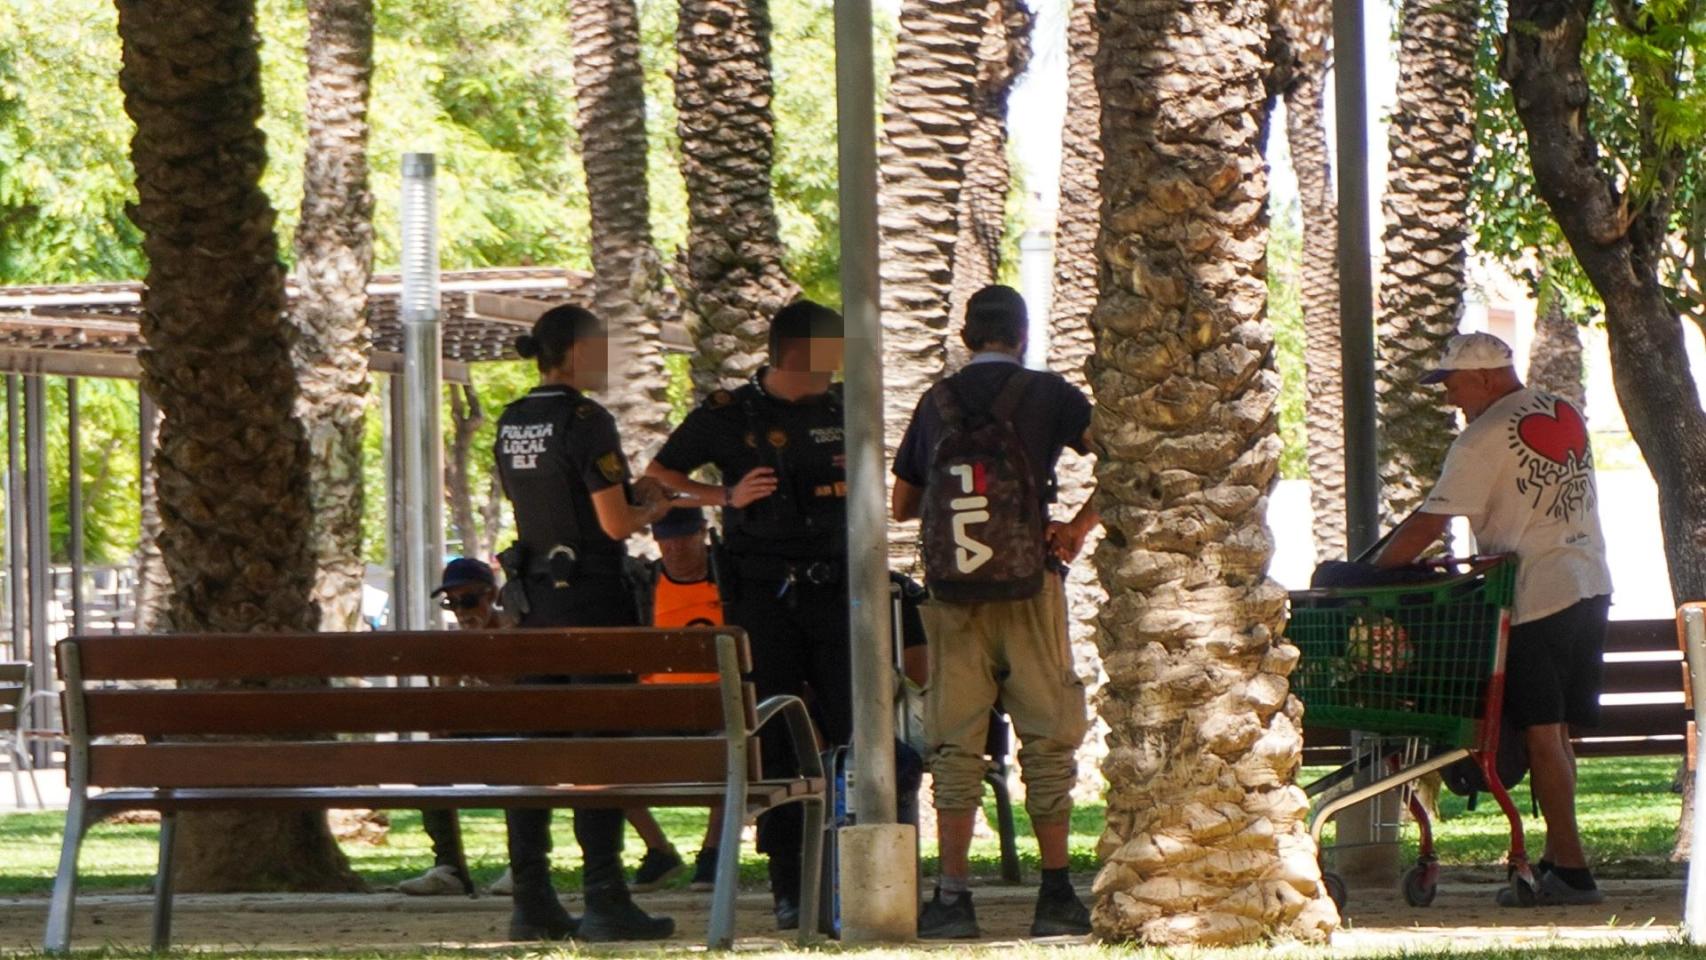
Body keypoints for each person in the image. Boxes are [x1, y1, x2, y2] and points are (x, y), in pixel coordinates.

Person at [1374, 331, 1613, 907]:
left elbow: (1429, 526)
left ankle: (1574, 873)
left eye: (1452, 382)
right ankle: (1558, 858)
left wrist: (1368, 576)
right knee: (1555, 733)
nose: (1449, 395)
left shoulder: (1482, 437)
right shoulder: (1562, 408)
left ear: (1483, 377)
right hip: (1589, 581)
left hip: (1534, 594)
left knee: (1540, 731)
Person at [891, 284, 1099, 939]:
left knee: (955, 744)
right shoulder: (1051, 395)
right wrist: (1077, 525)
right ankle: (1056, 895)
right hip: (1030, 586)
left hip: (953, 597)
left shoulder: (936, 401)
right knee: (1047, 737)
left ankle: (953, 898)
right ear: (1023, 335)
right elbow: (1123, 458)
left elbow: (902, 503)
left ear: (964, 337)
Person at [643, 300, 849, 930]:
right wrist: (723, 496)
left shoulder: (846, 406)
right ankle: (790, 885)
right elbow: (656, 477)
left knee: (848, 732)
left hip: (838, 589)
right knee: (781, 736)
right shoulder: (730, 415)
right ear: (798, 352)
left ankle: (848, 878)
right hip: (764, 595)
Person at [493, 304, 675, 941]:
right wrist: (653, 502)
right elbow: (615, 525)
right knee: (599, 744)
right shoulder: (585, 420)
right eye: (599, 348)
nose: (607, 360)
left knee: (536, 750)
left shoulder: (512, 419)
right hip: (592, 600)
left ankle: (532, 899)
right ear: (571, 352)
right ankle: (605, 895)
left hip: (531, 606)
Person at [396, 558, 515, 898]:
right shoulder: (456, 640)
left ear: (491, 595)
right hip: (483, 733)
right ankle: (448, 867)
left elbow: (518, 692)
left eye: (469, 600)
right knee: (429, 760)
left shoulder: (512, 632)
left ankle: (523, 864)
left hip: (516, 732)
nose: (461, 611)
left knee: (514, 759)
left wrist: (475, 657)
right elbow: (442, 706)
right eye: (452, 603)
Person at [632, 506, 728, 892]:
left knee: (730, 748)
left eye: (684, 537)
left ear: (703, 533)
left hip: (722, 705)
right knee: (599, 757)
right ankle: (658, 851)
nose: (674, 548)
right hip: (659, 708)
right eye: (665, 539)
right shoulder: (646, 585)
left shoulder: (727, 577)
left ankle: (713, 852)